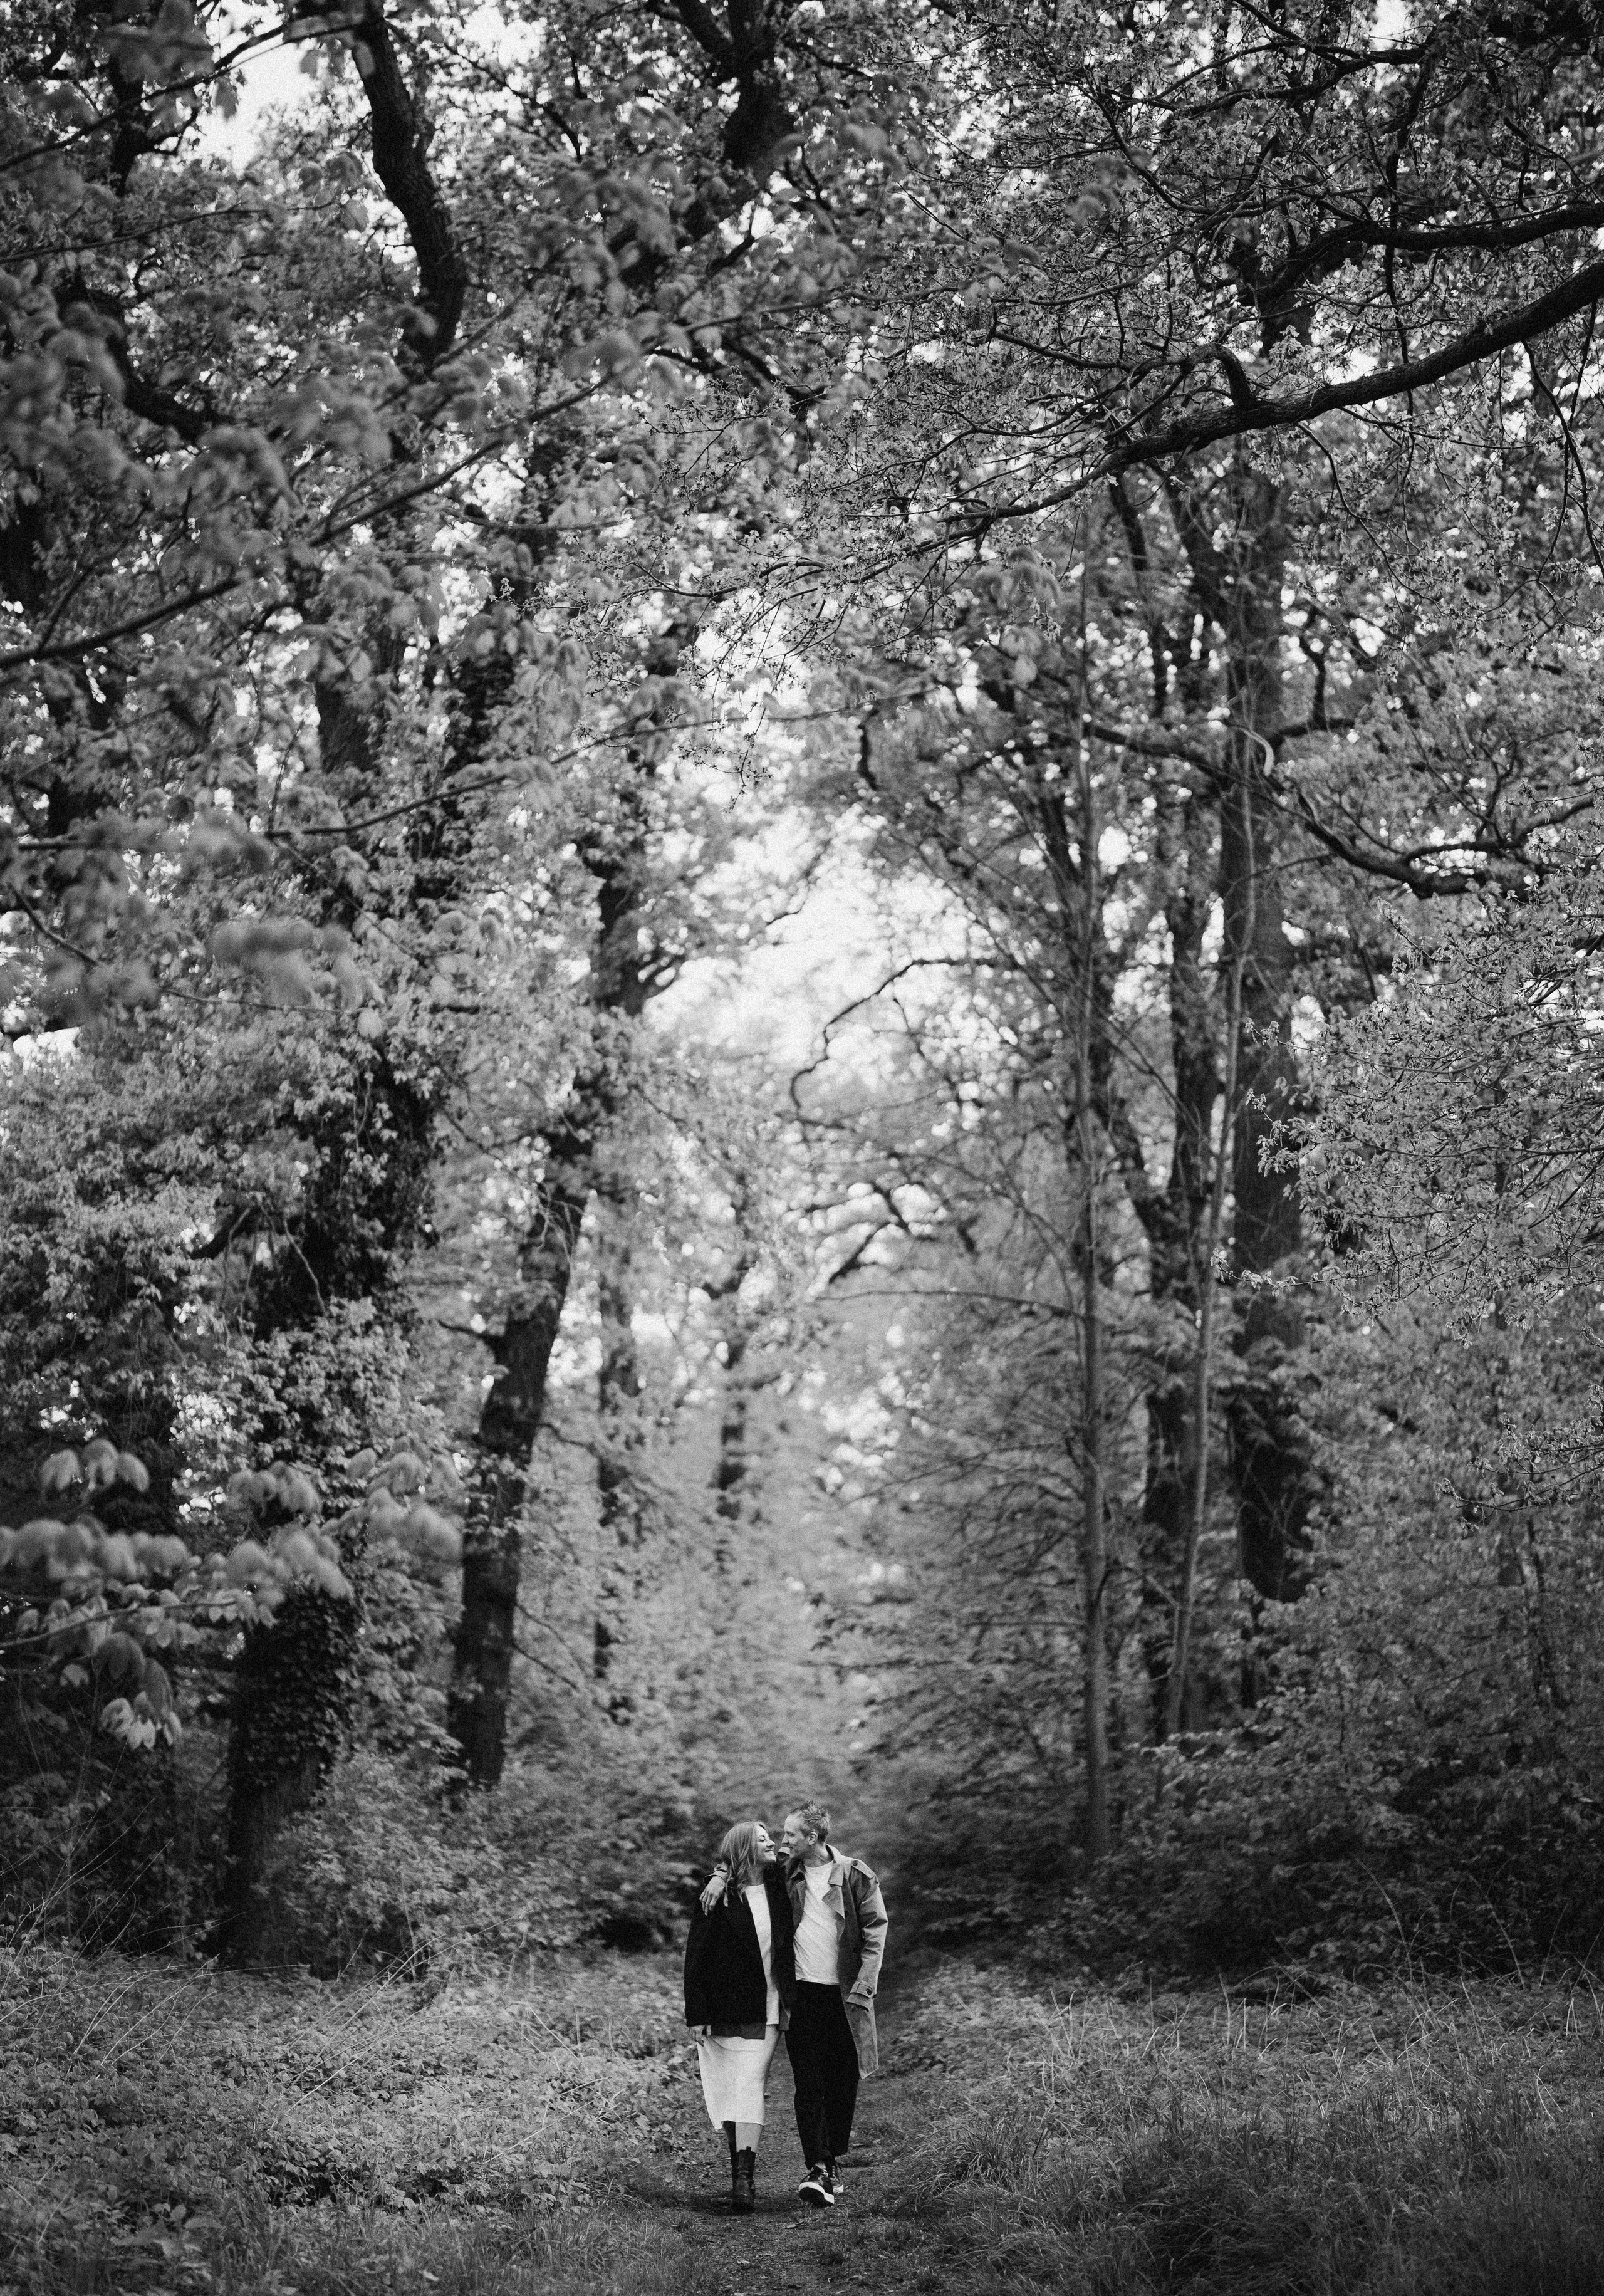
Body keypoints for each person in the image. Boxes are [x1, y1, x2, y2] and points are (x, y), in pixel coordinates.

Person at [702, 1800, 888, 2210]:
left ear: (813, 1837)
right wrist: (719, 1874)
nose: (783, 1841)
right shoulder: (785, 1871)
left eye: (791, 1834)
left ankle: (831, 2162)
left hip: (846, 1997)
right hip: (800, 1995)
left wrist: (865, 1985)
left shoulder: (856, 1875)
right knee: (809, 2084)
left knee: (843, 2083)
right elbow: (743, 1859)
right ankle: (818, 2167)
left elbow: (876, 1930)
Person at [683, 1818, 796, 2215]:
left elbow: (801, 1852)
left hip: (768, 2007)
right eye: (763, 1840)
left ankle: (743, 2179)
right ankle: (740, 2173)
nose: (773, 1843)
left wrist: (721, 1870)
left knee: (748, 2083)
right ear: (746, 1848)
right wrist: (696, 2014)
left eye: (771, 1838)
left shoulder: (780, 1885)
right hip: (724, 2008)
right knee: (731, 2089)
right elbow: (696, 1957)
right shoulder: (716, 1897)